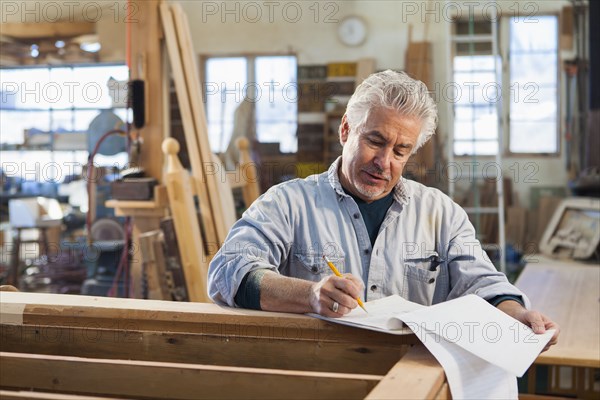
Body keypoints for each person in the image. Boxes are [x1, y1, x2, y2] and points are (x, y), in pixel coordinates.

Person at [208, 70, 559, 350]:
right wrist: (310, 295)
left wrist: (516, 314)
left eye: (400, 151)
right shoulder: (288, 203)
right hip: (318, 376)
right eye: (374, 141)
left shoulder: (441, 213)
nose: (383, 162)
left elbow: (481, 280)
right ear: (346, 129)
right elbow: (228, 271)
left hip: (411, 379)